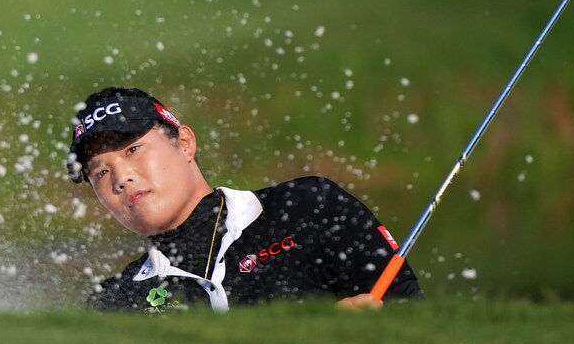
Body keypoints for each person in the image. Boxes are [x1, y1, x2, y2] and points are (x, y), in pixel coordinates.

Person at [68, 86, 423, 313]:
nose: (121, 178)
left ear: (185, 144)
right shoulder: (116, 303)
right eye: (100, 171)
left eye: (133, 149)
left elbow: (410, 314)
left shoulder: (308, 208)